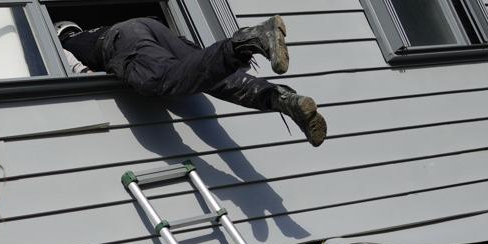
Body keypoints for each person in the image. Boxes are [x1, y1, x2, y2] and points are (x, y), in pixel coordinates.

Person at [56, 13, 329, 146]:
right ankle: (283, 99)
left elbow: (81, 74)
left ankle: (247, 41)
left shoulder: (66, 45)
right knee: (215, 77)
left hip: (123, 39)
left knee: (160, 80)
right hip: (152, 27)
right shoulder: (90, 31)